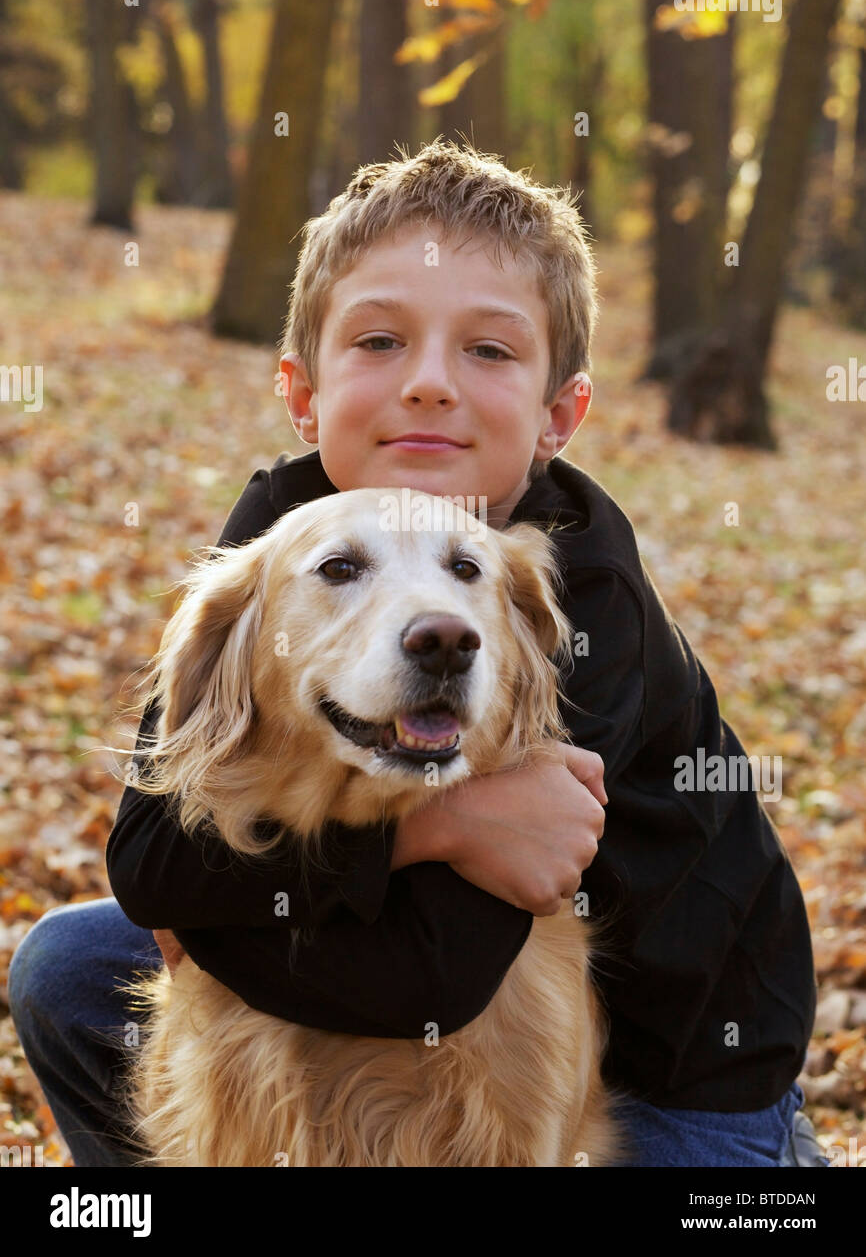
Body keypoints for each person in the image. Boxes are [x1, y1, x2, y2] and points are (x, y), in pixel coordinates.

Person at [9, 140, 827, 1167]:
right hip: (403, 946)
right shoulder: (275, 535)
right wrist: (432, 831)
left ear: (556, 415)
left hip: (679, 1086)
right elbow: (150, 858)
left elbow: (436, 983)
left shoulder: (578, 598)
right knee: (70, 966)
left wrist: (205, 925)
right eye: (381, 341)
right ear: (303, 392)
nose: (429, 386)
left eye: (487, 352)